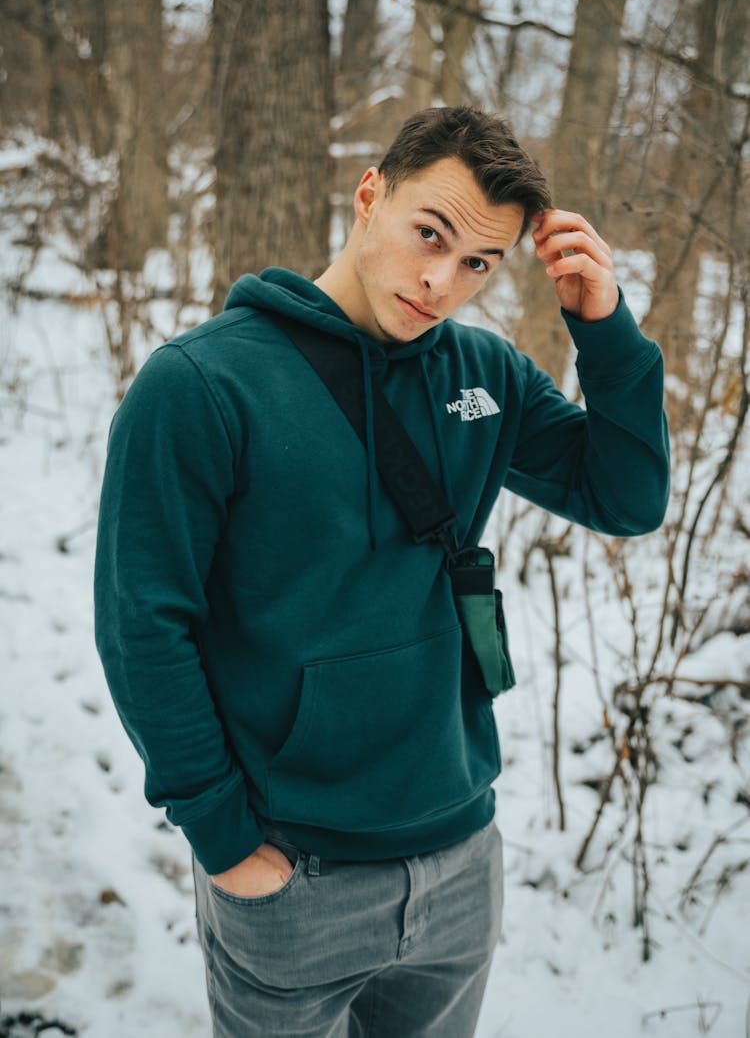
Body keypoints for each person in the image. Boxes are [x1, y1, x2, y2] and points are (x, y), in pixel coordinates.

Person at [94, 105, 669, 1037]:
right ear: (372, 196)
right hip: (293, 873)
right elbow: (142, 623)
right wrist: (225, 838)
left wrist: (604, 328)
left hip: (460, 857)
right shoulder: (201, 385)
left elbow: (628, 497)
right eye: (429, 234)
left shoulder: (488, 372)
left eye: (479, 263)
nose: (442, 280)